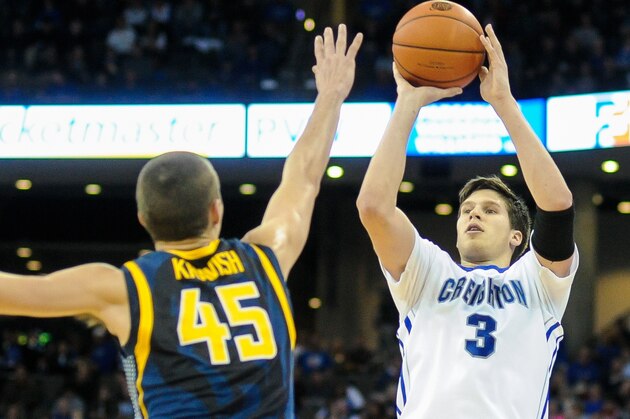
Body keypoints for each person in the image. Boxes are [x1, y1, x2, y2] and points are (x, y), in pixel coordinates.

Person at [0, 24, 362, 418]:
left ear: (143, 219)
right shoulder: (267, 257)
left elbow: (13, 292)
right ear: (216, 210)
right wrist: (331, 97)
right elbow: (305, 177)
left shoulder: (126, 287)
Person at [356, 24, 578, 418]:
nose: (474, 213)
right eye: (467, 210)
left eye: (490, 210)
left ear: (518, 237)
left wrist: (505, 104)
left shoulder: (539, 282)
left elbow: (558, 205)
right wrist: (406, 104)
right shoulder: (427, 271)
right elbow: (374, 206)